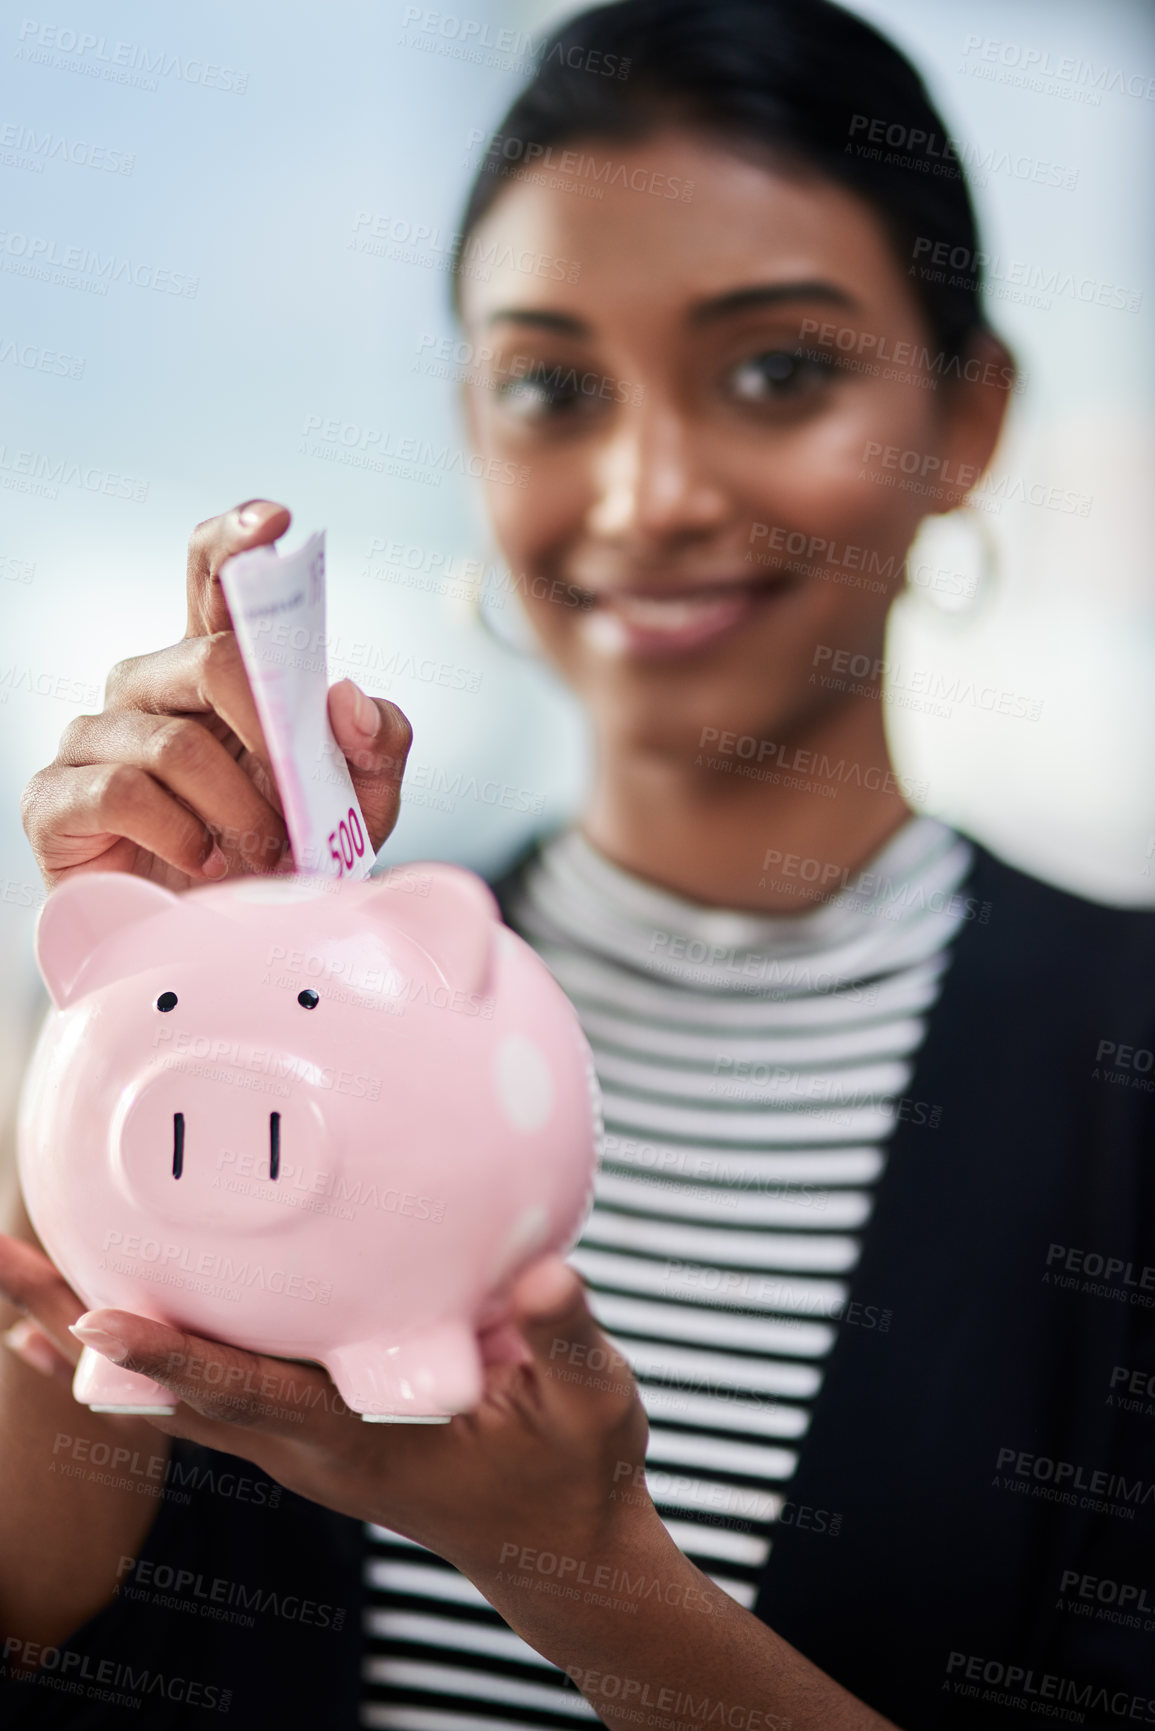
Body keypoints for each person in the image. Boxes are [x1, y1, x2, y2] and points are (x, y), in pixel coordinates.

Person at [3, 0, 1153, 1726]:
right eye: (553, 387)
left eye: (778, 369)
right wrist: (84, 1096)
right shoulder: (253, 1021)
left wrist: (594, 1578)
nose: (648, 490)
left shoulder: (1118, 1074)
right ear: (474, 435)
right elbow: (38, 1607)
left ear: (968, 419)